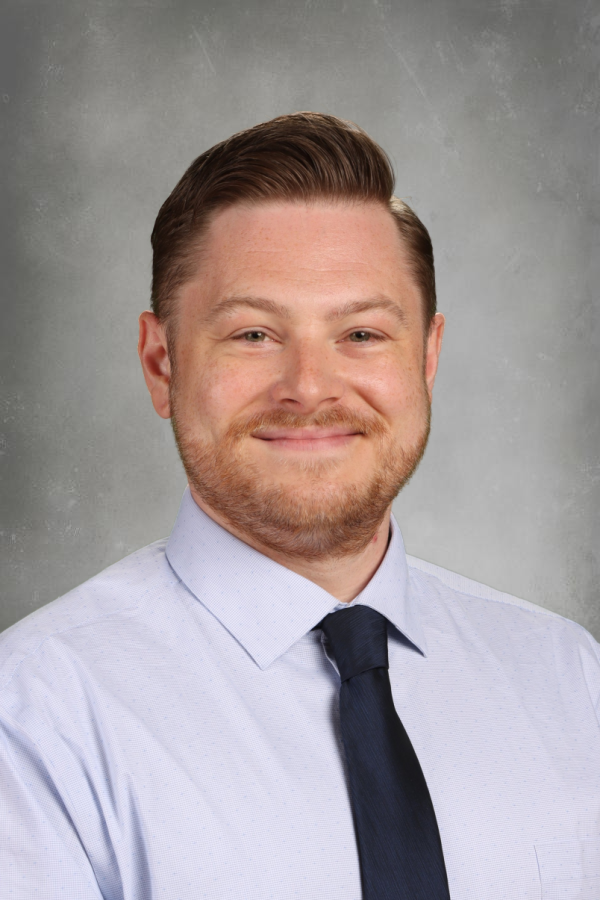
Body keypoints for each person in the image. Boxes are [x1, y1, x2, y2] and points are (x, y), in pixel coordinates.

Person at [1, 112, 599, 900]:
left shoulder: (568, 680)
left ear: (427, 358)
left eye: (360, 334)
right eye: (253, 334)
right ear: (160, 363)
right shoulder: (33, 717)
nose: (310, 387)